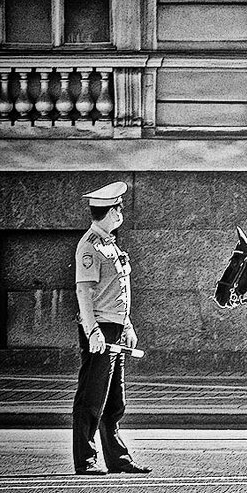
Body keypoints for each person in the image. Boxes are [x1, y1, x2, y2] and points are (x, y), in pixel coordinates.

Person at [72, 181, 151, 475]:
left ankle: (117, 458)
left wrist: (127, 324)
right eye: (118, 207)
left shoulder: (109, 243)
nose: (121, 212)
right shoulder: (90, 246)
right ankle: (86, 459)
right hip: (100, 331)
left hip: (114, 329)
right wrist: (92, 331)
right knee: (92, 398)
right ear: (110, 212)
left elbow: (118, 291)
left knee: (114, 399)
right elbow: (84, 291)